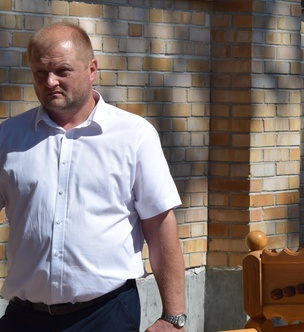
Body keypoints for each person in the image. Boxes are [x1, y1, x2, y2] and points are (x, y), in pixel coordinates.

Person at [0, 22, 186, 331]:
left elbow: (160, 229)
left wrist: (173, 317)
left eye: (62, 71)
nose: (50, 82)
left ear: (91, 69)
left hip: (104, 315)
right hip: (24, 317)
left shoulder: (134, 135)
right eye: (39, 73)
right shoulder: (8, 137)